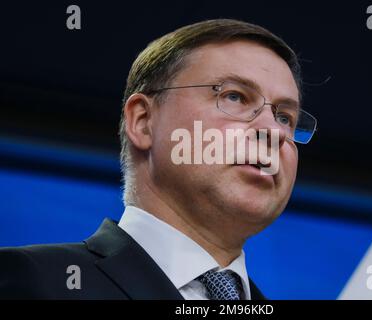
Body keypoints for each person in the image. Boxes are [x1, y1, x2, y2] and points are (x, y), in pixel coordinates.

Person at [0, 19, 317, 300]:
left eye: (285, 117)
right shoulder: (32, 282)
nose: (273, 131)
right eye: (234, 96)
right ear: (143, 121)